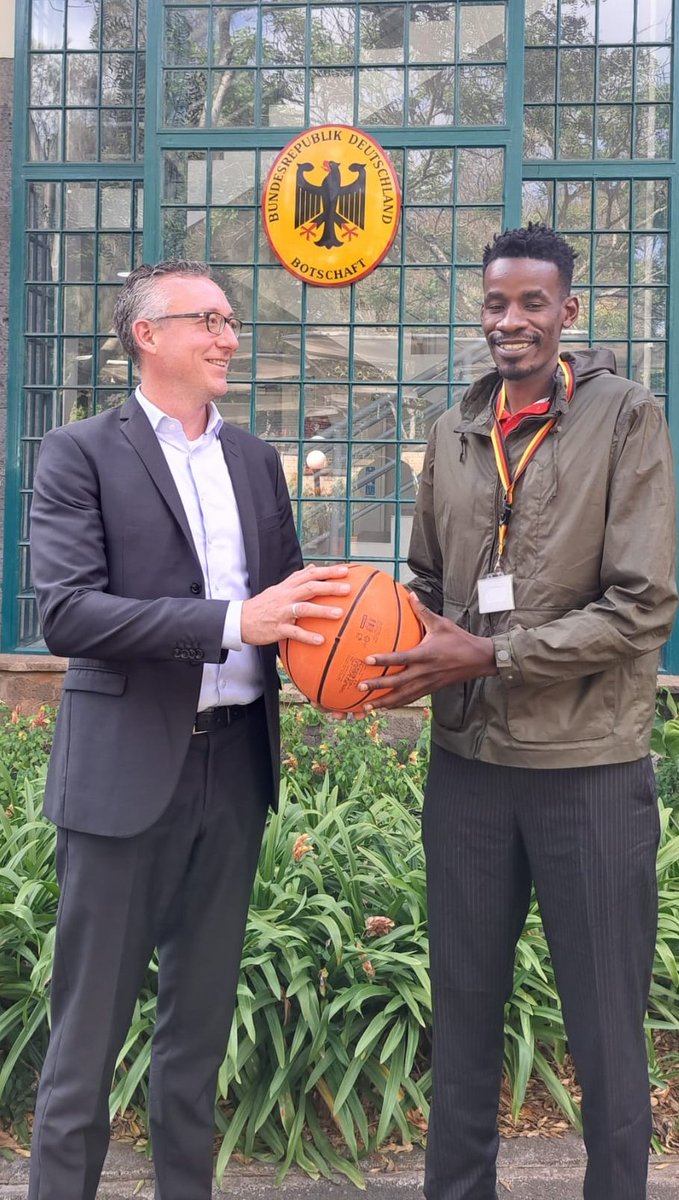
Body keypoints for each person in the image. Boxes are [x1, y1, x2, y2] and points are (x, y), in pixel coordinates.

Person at [358, 224, 678, 1200]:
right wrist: (380, 643)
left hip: (587, 773)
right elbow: (424, 578)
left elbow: (642, 605)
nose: (511, 320)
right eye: (496, 302)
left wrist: (490, 652)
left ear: (566, 312)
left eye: (533, 302)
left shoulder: (626, 416)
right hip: (468, 773)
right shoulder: (454, 432)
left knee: (603, 1031)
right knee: (460, 1017)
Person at [28, 259, 350, 1200]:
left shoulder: (254, 459)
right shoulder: (79, 451)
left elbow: (290, 607)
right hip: (123, 781)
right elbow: (70, 615)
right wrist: (225, 622)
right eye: (207, 319)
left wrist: (370, 639)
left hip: (234, 776)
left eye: (230, 319)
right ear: (148, 335)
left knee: (194, 1047)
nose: (227, 336)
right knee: (83, 1054)